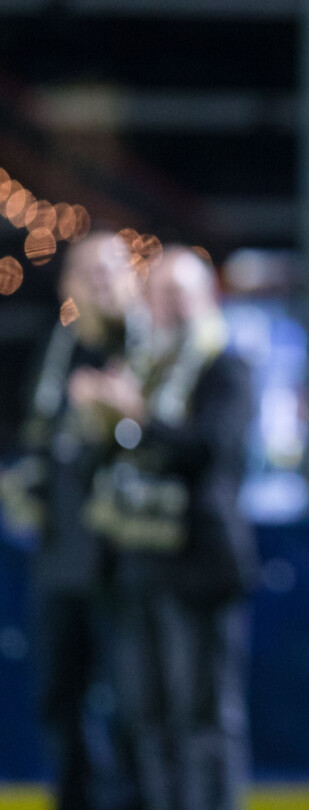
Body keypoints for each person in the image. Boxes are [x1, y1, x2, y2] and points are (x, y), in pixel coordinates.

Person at [73, 246, 258, 810]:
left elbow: (213, 453)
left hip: (199, 566)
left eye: (180, 293)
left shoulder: (225, 365)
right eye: (159, 293)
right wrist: (102, 418)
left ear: (206, 299)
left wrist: (136, 416)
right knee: (148, 719)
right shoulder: (145, 364)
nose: (168, 305)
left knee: (202, 718)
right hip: (139, 562)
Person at [0, 230, 141, 810]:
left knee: (135, 703)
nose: (103, 282)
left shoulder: (148, 344)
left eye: (113, 270)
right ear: (68, 286)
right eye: (90, 273)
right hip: (62, 554)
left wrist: (120, 411)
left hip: (130, 558)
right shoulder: (57, 351)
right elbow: (37, 438)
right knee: (61, 697)